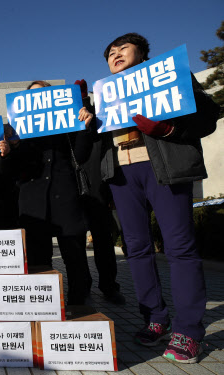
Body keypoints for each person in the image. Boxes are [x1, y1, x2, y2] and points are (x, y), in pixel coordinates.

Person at [100, 33, 219, 363]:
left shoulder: (171, 76)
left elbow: (208, 115)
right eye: (110, 53)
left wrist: (169, 131)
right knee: (135, 249)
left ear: (142, 53)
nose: (115, 54)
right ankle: (155, 319)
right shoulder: (105, 96)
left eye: (122, 48)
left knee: (179, 247)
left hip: (162, 167)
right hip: (122, 174)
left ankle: (188, 331)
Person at [7, 80, 95, 305]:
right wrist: (11, 148)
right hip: (32, 200)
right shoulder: (19, 130)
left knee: (74, 255)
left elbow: (82, 155)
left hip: (65, 196)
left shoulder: (68, 124)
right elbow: (14, 169)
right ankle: (44, 305)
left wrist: (84, 127)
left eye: (43, 94)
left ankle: (80, 300)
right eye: (33, 96)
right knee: (37, 258)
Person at [75, 79, 126, 305]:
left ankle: (108, 286)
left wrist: (85, 104)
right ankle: (82, 287)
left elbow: (101, 139)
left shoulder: (96, 117)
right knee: (74, 243)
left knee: (103, 241)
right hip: (68, 186)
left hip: (95, 184)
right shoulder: (52, 122)